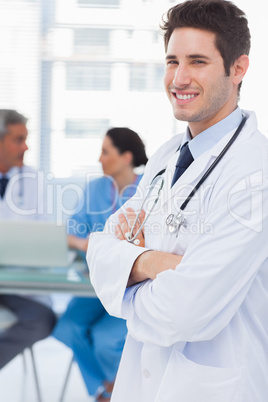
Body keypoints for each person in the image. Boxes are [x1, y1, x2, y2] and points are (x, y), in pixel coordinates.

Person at [87, 1, 268, 402]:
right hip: (143, 382)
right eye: (172, 61)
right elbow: (99, 250)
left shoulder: (256, 173)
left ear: (238, 69)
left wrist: (125, 280)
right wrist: (153, 263)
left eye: (198, 61)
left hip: (215, 386)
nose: (179, 78)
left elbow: (183, 312)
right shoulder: (168, 155)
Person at [53, 127, 148, 401]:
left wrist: (94, 243)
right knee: (66, 327)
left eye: (106, 152)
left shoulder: (146, 190)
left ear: (126, 157)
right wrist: (89, 245)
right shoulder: (95, 188)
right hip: (93, 285)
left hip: (127, 289)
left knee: (106, 340)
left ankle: (113, 391)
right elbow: (72, 233)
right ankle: (104, 388)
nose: (99, 158)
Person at [0, 109, 56, 369]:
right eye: (18, 139)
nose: (26, 146)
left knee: (42, 319)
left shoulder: (33, 180)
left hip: (20, 284)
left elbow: (43, 234)